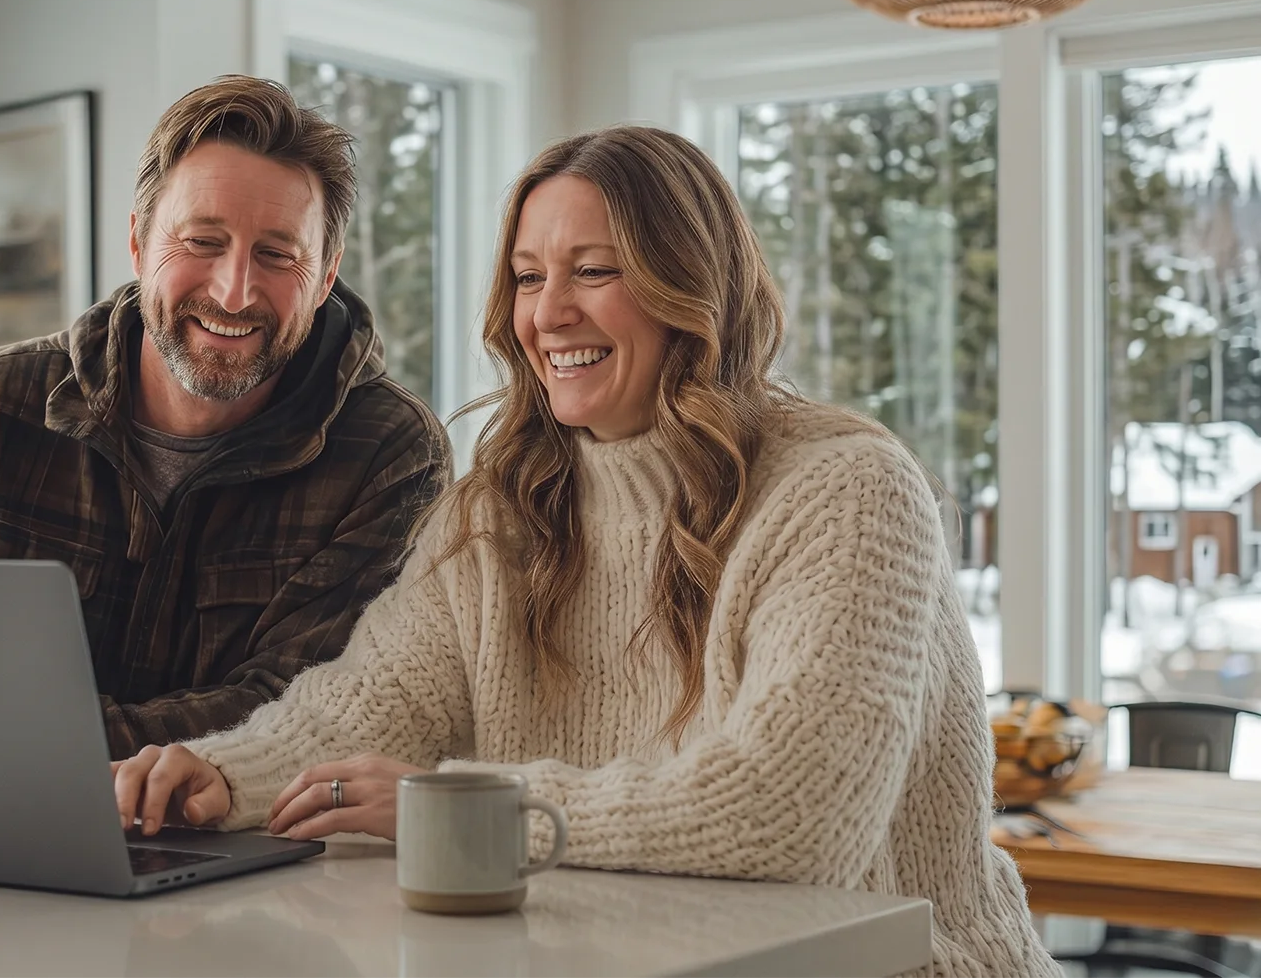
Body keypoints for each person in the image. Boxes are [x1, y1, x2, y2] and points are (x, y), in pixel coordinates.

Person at [115, 125, 1059, 978]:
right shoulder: (502, 511)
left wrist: (465, 807)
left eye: (595, 271)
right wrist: (219, 773)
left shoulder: (845, 490)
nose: (550, 313)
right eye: (529, 278)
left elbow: (794, 813)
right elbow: (369, 713)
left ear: (691, 289)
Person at [0, 76, 451, 756]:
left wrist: (11, 737)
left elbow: (298, 711)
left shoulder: (391, 454)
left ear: (324, 276)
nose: (234, 291)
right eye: (203, 241)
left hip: (242, 847)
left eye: (277, 254)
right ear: (141, 243)